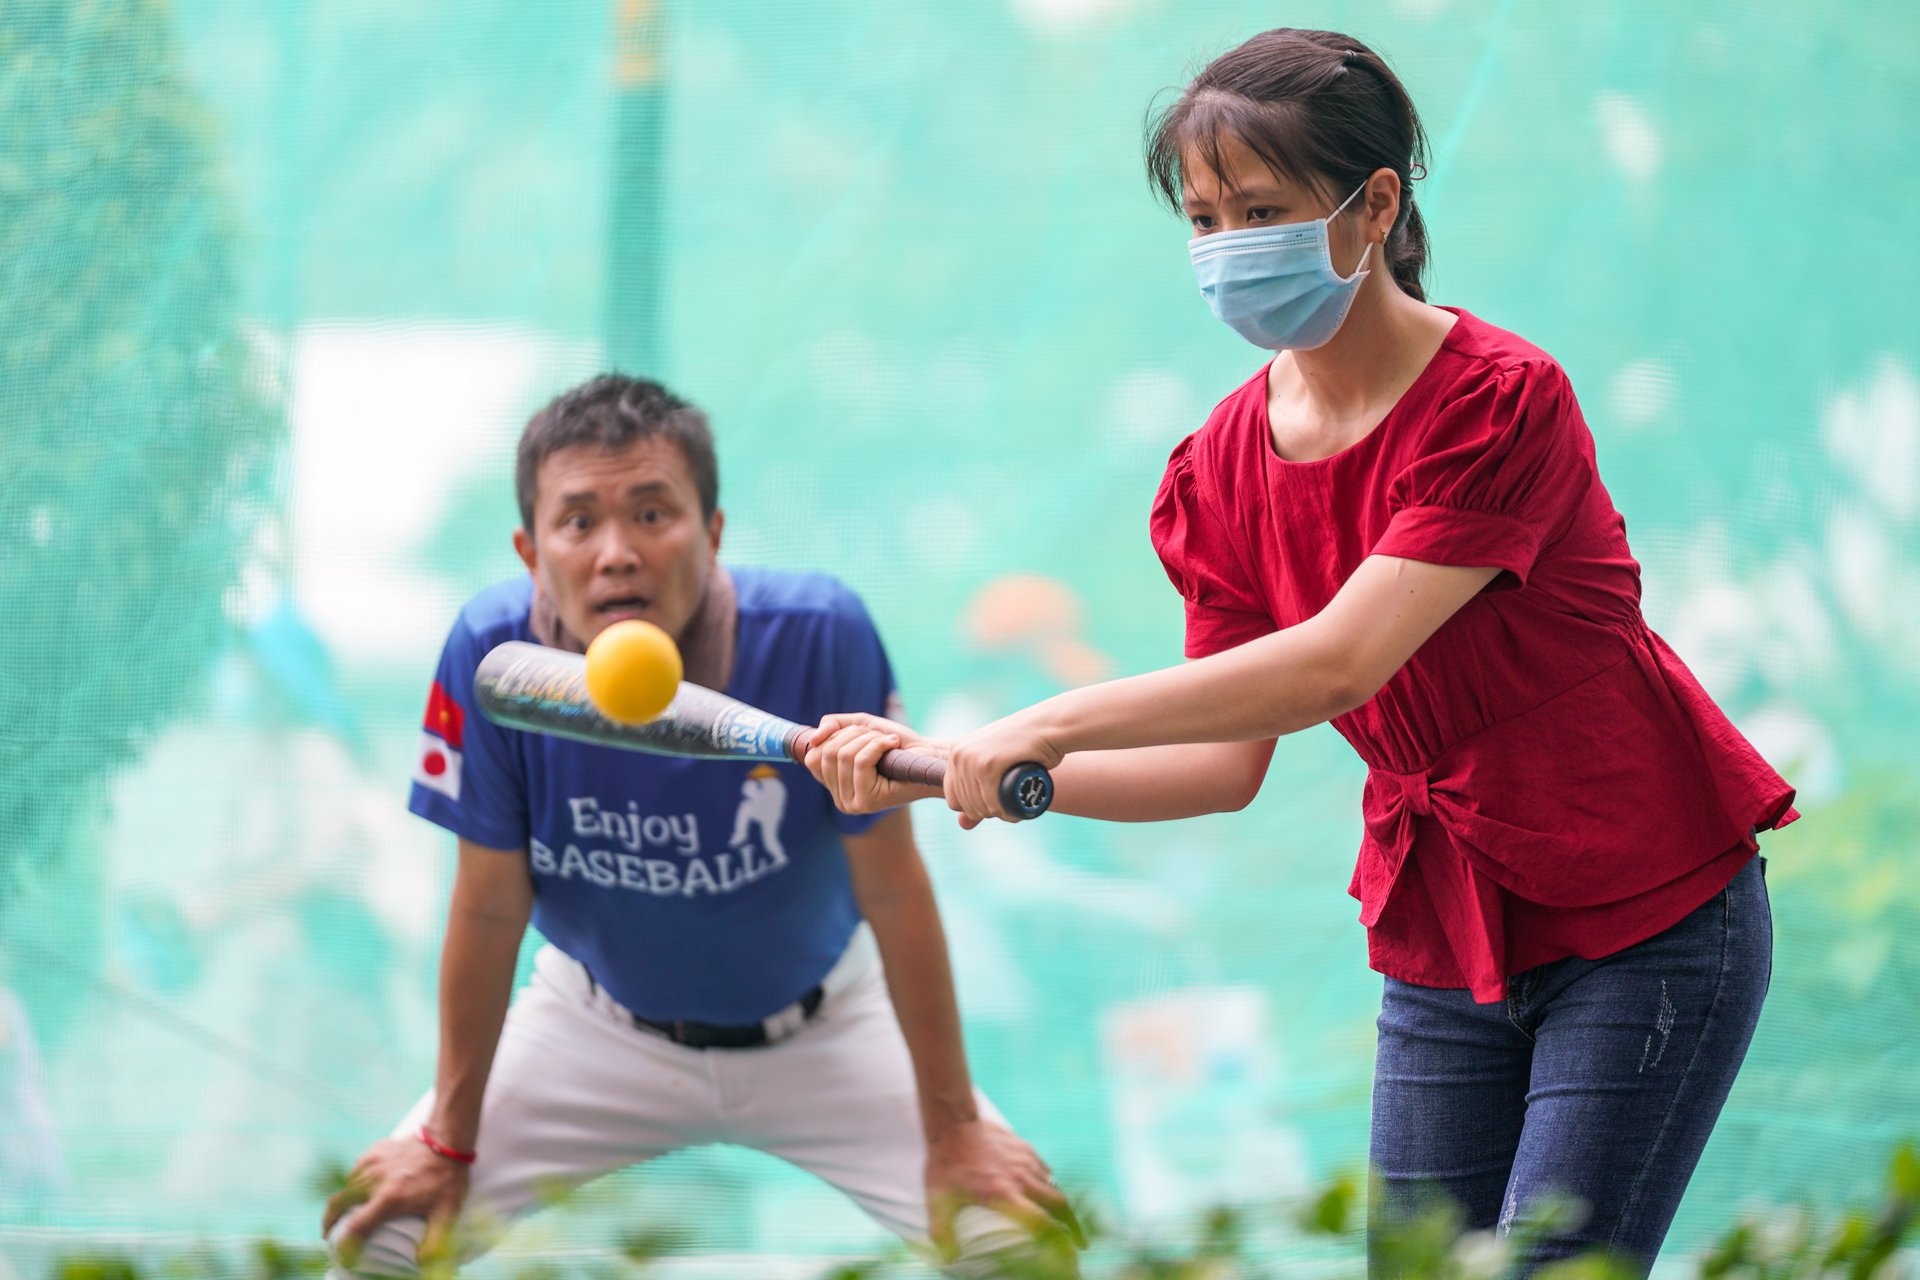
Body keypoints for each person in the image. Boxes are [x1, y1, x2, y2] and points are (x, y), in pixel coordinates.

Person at [803, 27, 1794, 1276]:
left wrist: (1046, 721)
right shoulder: (1217, 467)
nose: (1226, 250)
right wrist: (965, 763)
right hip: (1448, 933)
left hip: (1645, 911)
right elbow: (1223, 762)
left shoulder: (1500, 400)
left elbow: (1337, 664)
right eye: (1204, 219)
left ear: (1374, 205)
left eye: (1260, 209)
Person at [322, 375, 1071, 1278]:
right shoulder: (489, 653)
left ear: (712, 535)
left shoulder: (819, 633)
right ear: (530, 551)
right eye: (577, 522)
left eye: (651, 514)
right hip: (590, 1030)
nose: (615, 554)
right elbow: (487, 908)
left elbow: (893, 886)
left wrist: (953, 1131)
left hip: (828, 1029)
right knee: (384, 1244)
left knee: (1016, 1252)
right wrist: (446, 1142)